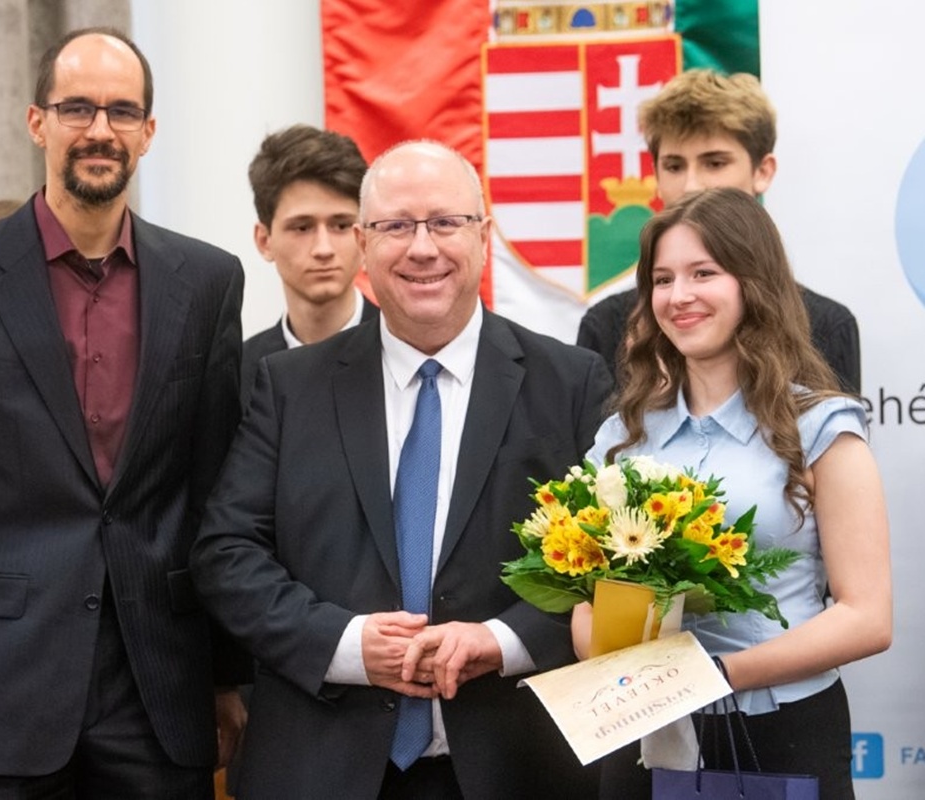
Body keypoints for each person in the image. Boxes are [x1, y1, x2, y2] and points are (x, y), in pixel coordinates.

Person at [0, 27, 247, 798]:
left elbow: (213, 494)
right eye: (77, 108)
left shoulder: (209, 282)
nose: (100, 129)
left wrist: (225, 675)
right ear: (37, 122)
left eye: (121, 111)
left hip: (159, 688)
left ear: (148, 131)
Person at [191, 140, 611, 799]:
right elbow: (226, 553)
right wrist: (345, 643)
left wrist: (503, 640)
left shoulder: (572, 383)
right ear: (364, 243)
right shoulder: (290, 386)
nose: (422, 248)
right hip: (321, 766)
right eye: (395, 226)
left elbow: (613, 567)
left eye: (445, 222)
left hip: (516, 763)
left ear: (484, 235)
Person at [578, 187, 892, 798]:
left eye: (704, 273)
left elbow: (867, 618)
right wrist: (622, 669)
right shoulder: (621, 437)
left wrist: (715, 674)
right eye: (663, 279)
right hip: (644, 732)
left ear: (754, 283)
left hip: (783, 732)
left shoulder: (823, 428)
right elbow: (586, 597)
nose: (679, 296)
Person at [576, 69, 861, 394]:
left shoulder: (826, 325)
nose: (691, 185)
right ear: (655, 175)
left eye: (714, 163)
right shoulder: (606, 326)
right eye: (674, 166)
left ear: (763, 171)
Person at [241, 123, 377, 408]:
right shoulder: (238, 374)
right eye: (302, 227)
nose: (323, 249)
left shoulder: (408, 353)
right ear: (264, 241)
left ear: (364, 237)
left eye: (341, 225)